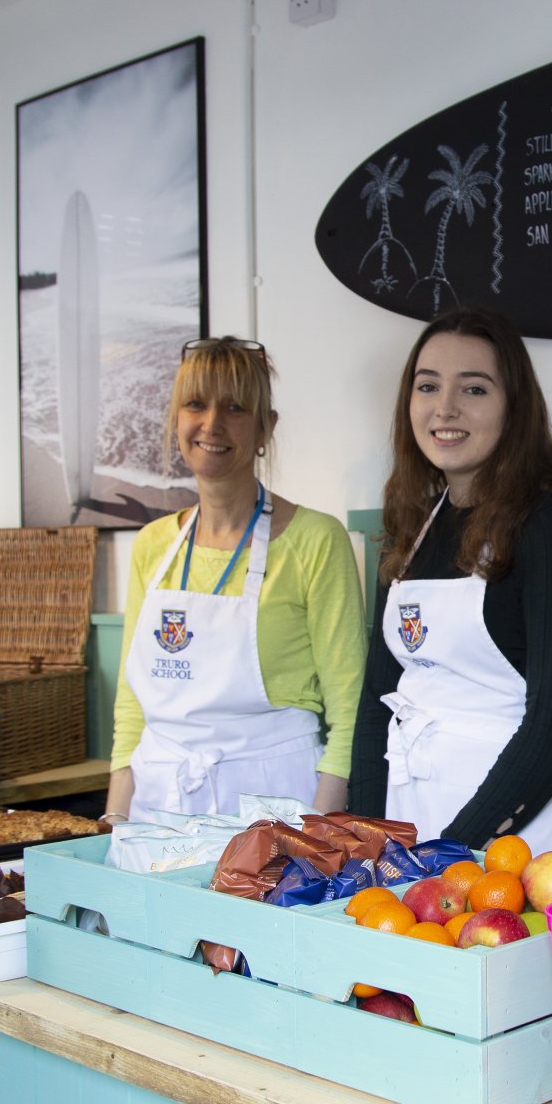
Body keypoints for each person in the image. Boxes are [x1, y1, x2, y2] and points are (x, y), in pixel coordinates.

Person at [347, 308, 552, 867]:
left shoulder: (551, 526)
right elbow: (377, 707)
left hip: (510, 842)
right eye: (428, 386)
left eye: (473, 388)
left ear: (514, 408)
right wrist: (367, 843)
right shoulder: (409, 528)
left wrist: (446, 856)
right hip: (409, 829)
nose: (445, 408)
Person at [103, 337, 364, 826]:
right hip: (158, 805)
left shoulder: (315, 539)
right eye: (195, 404)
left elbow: (348, 707)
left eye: (236, 408)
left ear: (267, 427)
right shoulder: (153, 545)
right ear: (176, 419)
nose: (212, 424)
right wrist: (115, 817)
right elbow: (133, 702)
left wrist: (320, 830)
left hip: (277, 804)